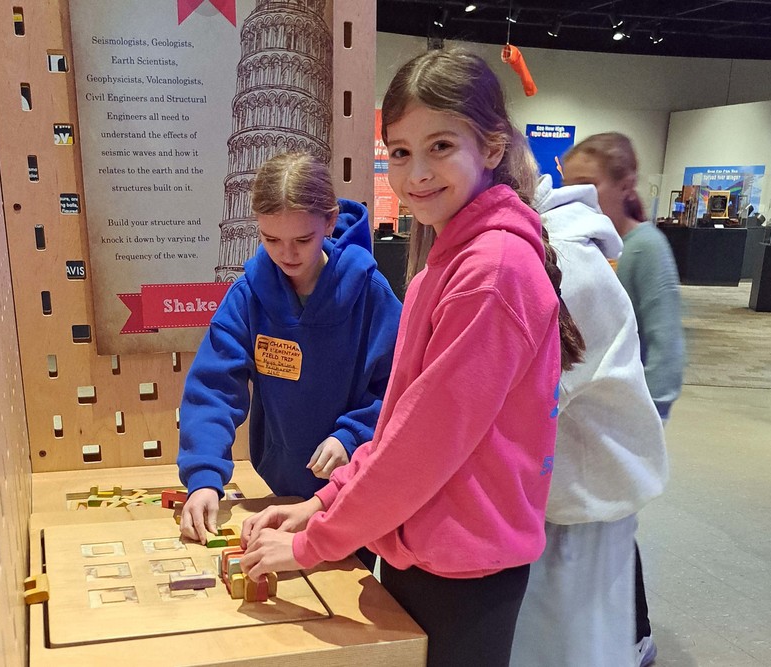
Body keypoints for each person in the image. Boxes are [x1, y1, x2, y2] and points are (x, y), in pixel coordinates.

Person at [237, 48, 585, 667]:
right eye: (399, 152)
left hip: (461, 568)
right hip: (422, 547)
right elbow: (400, 423)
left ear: (493, 147)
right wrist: (322, 502)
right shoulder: (446, 264)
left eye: (440, 146)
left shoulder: (491, 272)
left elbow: (422, 446)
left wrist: (316, 542)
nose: (416, 173)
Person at [177, 153, 402, 547]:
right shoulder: (248, 296)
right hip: (279, 487)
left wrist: (352, 435)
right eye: (271, 240)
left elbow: (398, 389)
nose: (287, 254)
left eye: (302, 240)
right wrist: (204, 479)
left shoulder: (371, 294)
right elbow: (213, 389)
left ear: (329, 222)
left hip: (352, 490)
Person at [509, 174, 669, 666]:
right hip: (558, 503)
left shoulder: (566, 262)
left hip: (581, 510)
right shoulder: (528, 248)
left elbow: (508, 407)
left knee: (569, 650)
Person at [562, 132, 685, 667]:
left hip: (620, 423)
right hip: (590, 425)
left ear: (625, 185)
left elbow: (666, 348)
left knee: (615, 531)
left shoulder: (645, 249)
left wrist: (643, 423)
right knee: (603, 534)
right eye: (569, 184)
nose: (576, 195)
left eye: (589, 184)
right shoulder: (586, 244)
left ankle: (637, 636)